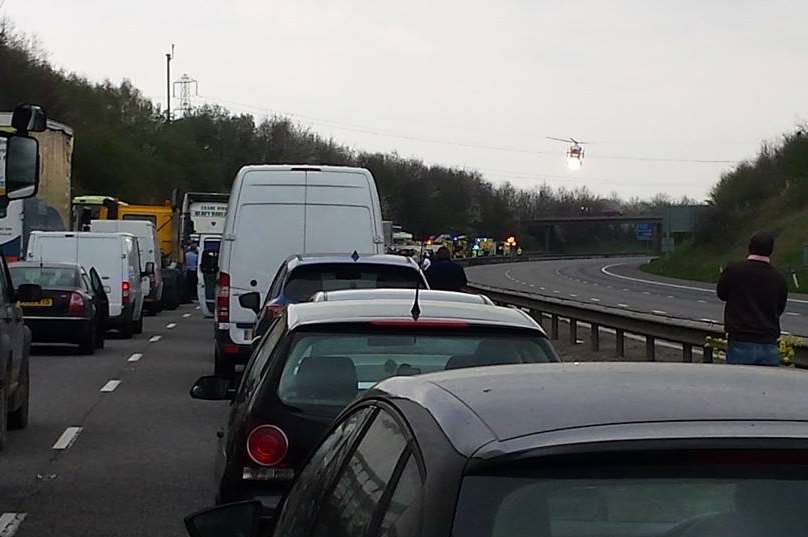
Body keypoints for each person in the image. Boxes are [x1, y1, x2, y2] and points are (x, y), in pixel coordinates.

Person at [717, 231, 788, 366]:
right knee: (767, 386)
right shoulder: (778, 278)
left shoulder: (734, 271)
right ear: (771, 251)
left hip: (741, 339)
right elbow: (780, 307)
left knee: (740, 384)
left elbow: (722, 294)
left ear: (749, 247)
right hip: (769, 343)